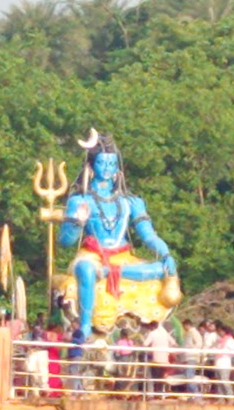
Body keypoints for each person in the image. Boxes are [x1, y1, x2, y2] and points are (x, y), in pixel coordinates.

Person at [58, 131, 179, 342]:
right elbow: (65, 241)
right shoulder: (81, 200)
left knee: (160, 269)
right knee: (86, 270)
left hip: (122, 257)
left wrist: (166, 253)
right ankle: (85, 325)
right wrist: (78, 221)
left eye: (112, 164)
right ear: (92, 166)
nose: (108, 169)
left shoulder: (130, 202)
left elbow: (149, 236)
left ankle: (107, 272)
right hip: (92, 255)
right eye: (103, 163)